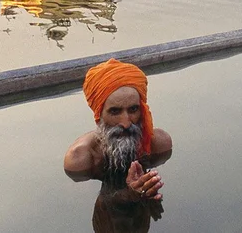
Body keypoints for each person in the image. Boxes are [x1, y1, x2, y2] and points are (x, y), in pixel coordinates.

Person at [64, 58, 173, 200]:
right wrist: (129, 194)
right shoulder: (80, 159)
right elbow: (83, 204)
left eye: (133, 109)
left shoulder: (159, 144)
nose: (126, 123)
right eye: (115, 112)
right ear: (99, 115)